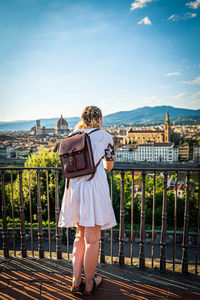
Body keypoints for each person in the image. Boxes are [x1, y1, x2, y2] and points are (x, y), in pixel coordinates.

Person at [58, 105, 116, 295]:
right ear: (99, 120)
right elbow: (109, 166)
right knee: (93, 240)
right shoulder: (105, 136)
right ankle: (89, 284)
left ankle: (76, 281)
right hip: (93, 189)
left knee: (79, 237)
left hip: (75, 191)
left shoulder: (73, 136)